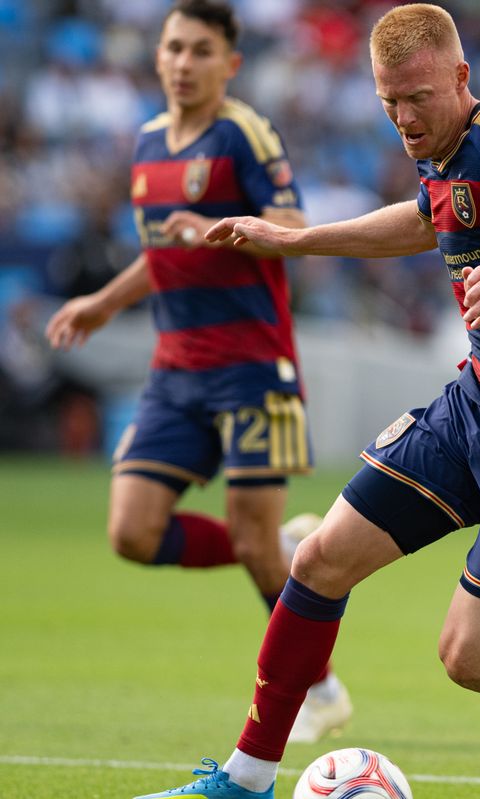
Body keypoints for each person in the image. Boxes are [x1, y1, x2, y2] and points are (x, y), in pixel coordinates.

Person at [136, 5, 480, 798]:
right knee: (319, 559)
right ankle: (245, 778)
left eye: (419, 98)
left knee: (469, 660)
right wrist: (296, 239)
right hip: (478, 404)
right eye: (388, 103)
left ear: (461, 79)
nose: (404, 118)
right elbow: (424, 221)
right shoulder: (442, 149)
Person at [44, 0, 350, 745]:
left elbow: (295, 230)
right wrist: (102, 302)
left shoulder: (244, 133)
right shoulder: (148, 144)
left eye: (201, 51)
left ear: (230, 63)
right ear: (157, 55)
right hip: (176, 370)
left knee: (251, 546)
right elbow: (162, 252)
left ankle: (321, 687)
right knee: (132, 533)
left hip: (250, 365)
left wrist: (219, 236)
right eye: (174, 48)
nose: (184, 63)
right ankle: (284, 550)